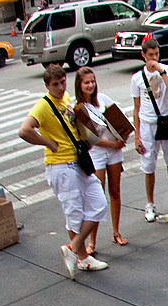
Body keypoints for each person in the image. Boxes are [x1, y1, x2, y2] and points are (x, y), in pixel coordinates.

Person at [19, 64, 108, 278]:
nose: (60, 87)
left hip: (77, 161)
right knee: (74, 213)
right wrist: (47, 142)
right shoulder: (43, 106)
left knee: (99, 204)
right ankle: (82, 257)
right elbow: (24, 130)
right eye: (55, 84)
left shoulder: (66, 98)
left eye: (62, 82)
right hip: (60, 165)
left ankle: (73, 248)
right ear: (47, 86)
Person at [131, 38, 168, 223]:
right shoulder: (137, 78)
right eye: (150, 55)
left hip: (165, 121)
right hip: (147, 124)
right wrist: (137, 135)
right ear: (143, 55)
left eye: (156, 54)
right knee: (149, 165)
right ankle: (150, 203)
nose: (154, 58)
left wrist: (161, 71)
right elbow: (136, 108)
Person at [74, 67, 127, 251]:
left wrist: (123, 138)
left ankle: (116, 232)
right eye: (86, 82)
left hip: (114, 152)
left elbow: (121, 120)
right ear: (79, 85)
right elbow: (91, 138)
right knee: (97, 196)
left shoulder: (103, 99)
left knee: (115, 191)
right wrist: (114, 144)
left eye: (92, 81)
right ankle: (92, 241)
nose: (90, 85)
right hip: (96, 153)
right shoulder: (80, 109)